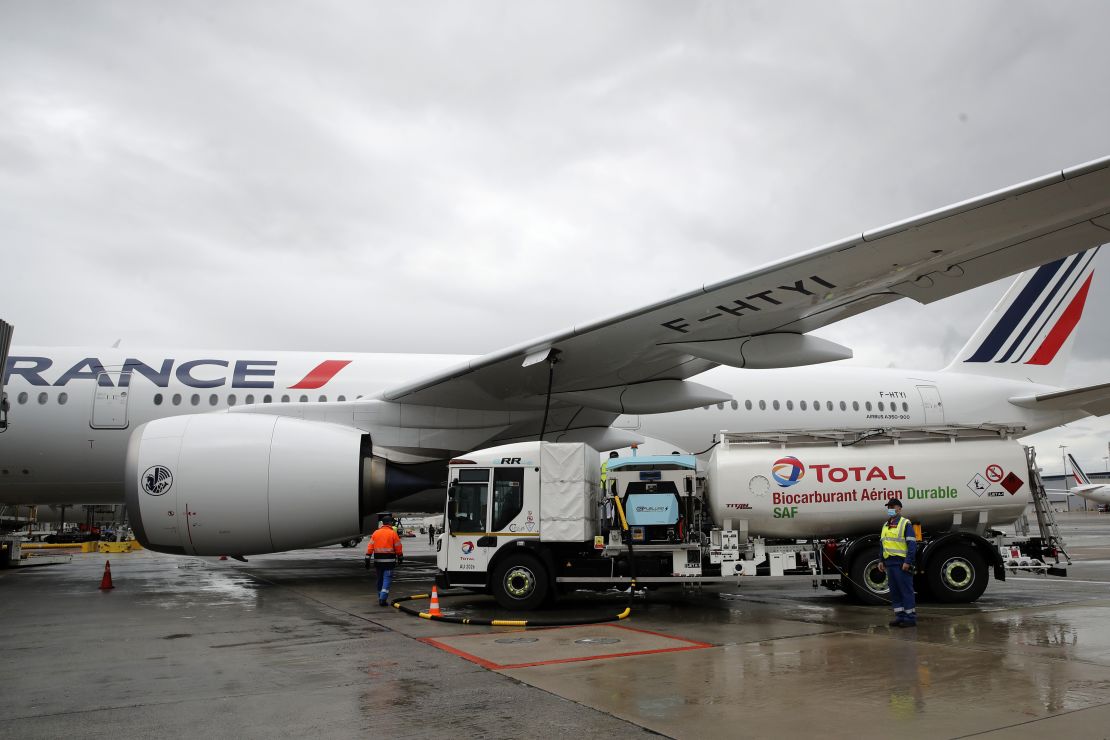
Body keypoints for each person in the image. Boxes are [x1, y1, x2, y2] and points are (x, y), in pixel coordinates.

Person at [877, 497, 917, 627]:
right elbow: (883, 544)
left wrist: (908, 561)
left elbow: (912, 544)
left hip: (901, 563)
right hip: (890, 563)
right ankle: (900, 616)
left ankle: (910, 618)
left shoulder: (905, 523)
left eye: (893, 507)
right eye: (889, 507)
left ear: (899, 508)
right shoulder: (885, 525)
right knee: (895, 592)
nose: (890, 509)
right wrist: (881, 560)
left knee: (906, 591)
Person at [367, 514, 404, 606]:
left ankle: (380, 596)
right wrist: (400, 556)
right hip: (389, 562)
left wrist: (367, 558)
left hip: (378, 562)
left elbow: (370, 547)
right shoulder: (392, 533)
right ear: (389, 523)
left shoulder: (376, 533)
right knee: (386, 579)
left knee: (380, 579)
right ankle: (383, 599)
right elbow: (398, 546)